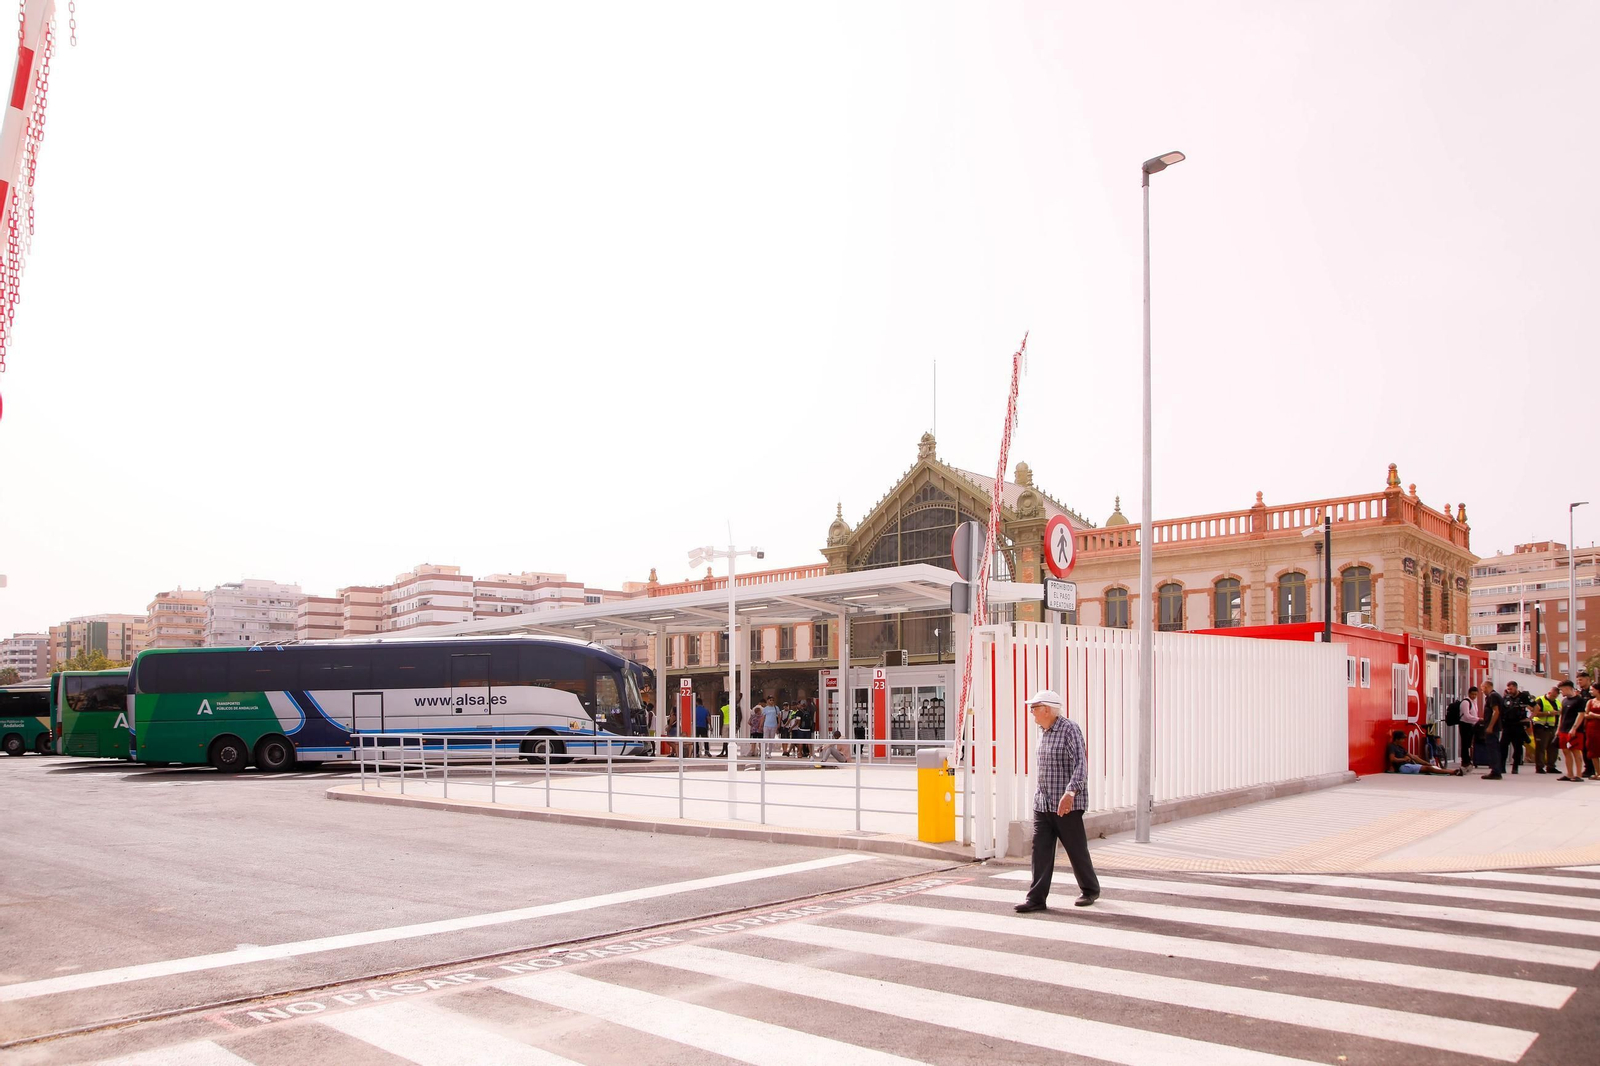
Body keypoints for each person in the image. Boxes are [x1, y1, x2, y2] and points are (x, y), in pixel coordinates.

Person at [1015, 690, 1100, 913]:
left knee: (1075, 849)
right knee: (1040, 850)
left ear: (1047, 709)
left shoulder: (1069, 729)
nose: (1031, 712)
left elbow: (1081, 764)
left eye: (1034, 708)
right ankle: (1036, 899)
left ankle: (1090, 889)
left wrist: (1071, 792)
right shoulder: (1042, 731)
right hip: (1043, 803)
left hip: (1066, 804)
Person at [1386, 730, 1463, 775]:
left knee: (1429, 766)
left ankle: (1452, 771)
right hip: (1402, 767)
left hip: (1408, 764)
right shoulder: (1391, 746)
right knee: (1428, 769)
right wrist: (1404, 759)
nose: (1403, 741)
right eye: (1402, 739)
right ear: (1397, 739)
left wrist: (1426, 762)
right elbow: (1392, 759)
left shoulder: (1401, 747)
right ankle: (1452, 772)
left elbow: (1413, 757)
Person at [1555, 680, 1588, 782]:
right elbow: (1562, 715)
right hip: (1563, 730)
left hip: (1575, 731)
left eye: (1562, 690)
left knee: (1576, 751)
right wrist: (1558, 729)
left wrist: (1574, 728)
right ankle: (1569, 774)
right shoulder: (1564, 701)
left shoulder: (1579, 700)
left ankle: (1578, 775)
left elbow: (1581, 715)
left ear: (1568, 688)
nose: (1561, 692)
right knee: (1566, 751)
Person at [1499, 682, 1529, 775]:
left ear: (1516, 688)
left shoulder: (1524, 696)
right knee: (1503, 746)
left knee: (1518, 748)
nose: (1509, 691)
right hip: (1507, 725)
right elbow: (1501, 711)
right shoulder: (1506, 698)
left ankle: (1515, 767)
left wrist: (1529, 719)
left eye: (1511, 689)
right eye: (1508, 689)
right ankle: (1502, 767)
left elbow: (1536, 707)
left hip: (1518, 725)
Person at [1531, 687, 1562, 774]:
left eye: (1556, 696)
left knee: (1553, 748)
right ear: (1549, 693)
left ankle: (1551, 766)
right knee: (1541, 748)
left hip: (1553, 727)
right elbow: (1535, 713)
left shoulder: (1557, 702)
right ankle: (1540, 767)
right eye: (1553, 696)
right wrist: (1549, 713)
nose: (1554, 698)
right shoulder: (1540, 700)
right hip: (1542, 727)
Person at [1480, 683, 1506, 780]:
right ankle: (1496, 770)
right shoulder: (1495, 695)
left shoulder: (1492, 696)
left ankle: (1496, 771)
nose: (1482, 692)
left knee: (1493, 749)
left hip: (1493, 728)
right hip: (1495, 726)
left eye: (1482, 689)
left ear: (1486, 687)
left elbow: (1496, 711)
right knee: (1494, 748)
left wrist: (1490, 726)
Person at [1457, 686, 1481, 770]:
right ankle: (1465, 760)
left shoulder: (1474, 702)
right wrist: (1478, 719)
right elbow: (1467, 715)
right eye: (1472, 694)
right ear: (1469, 693)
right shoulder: (1466, 702)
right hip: (1465, 724)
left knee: (1468, 743)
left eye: (1475, 694)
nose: (1474, 696)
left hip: (1471, 724)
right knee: (1465, 743)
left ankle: (1468, 759)